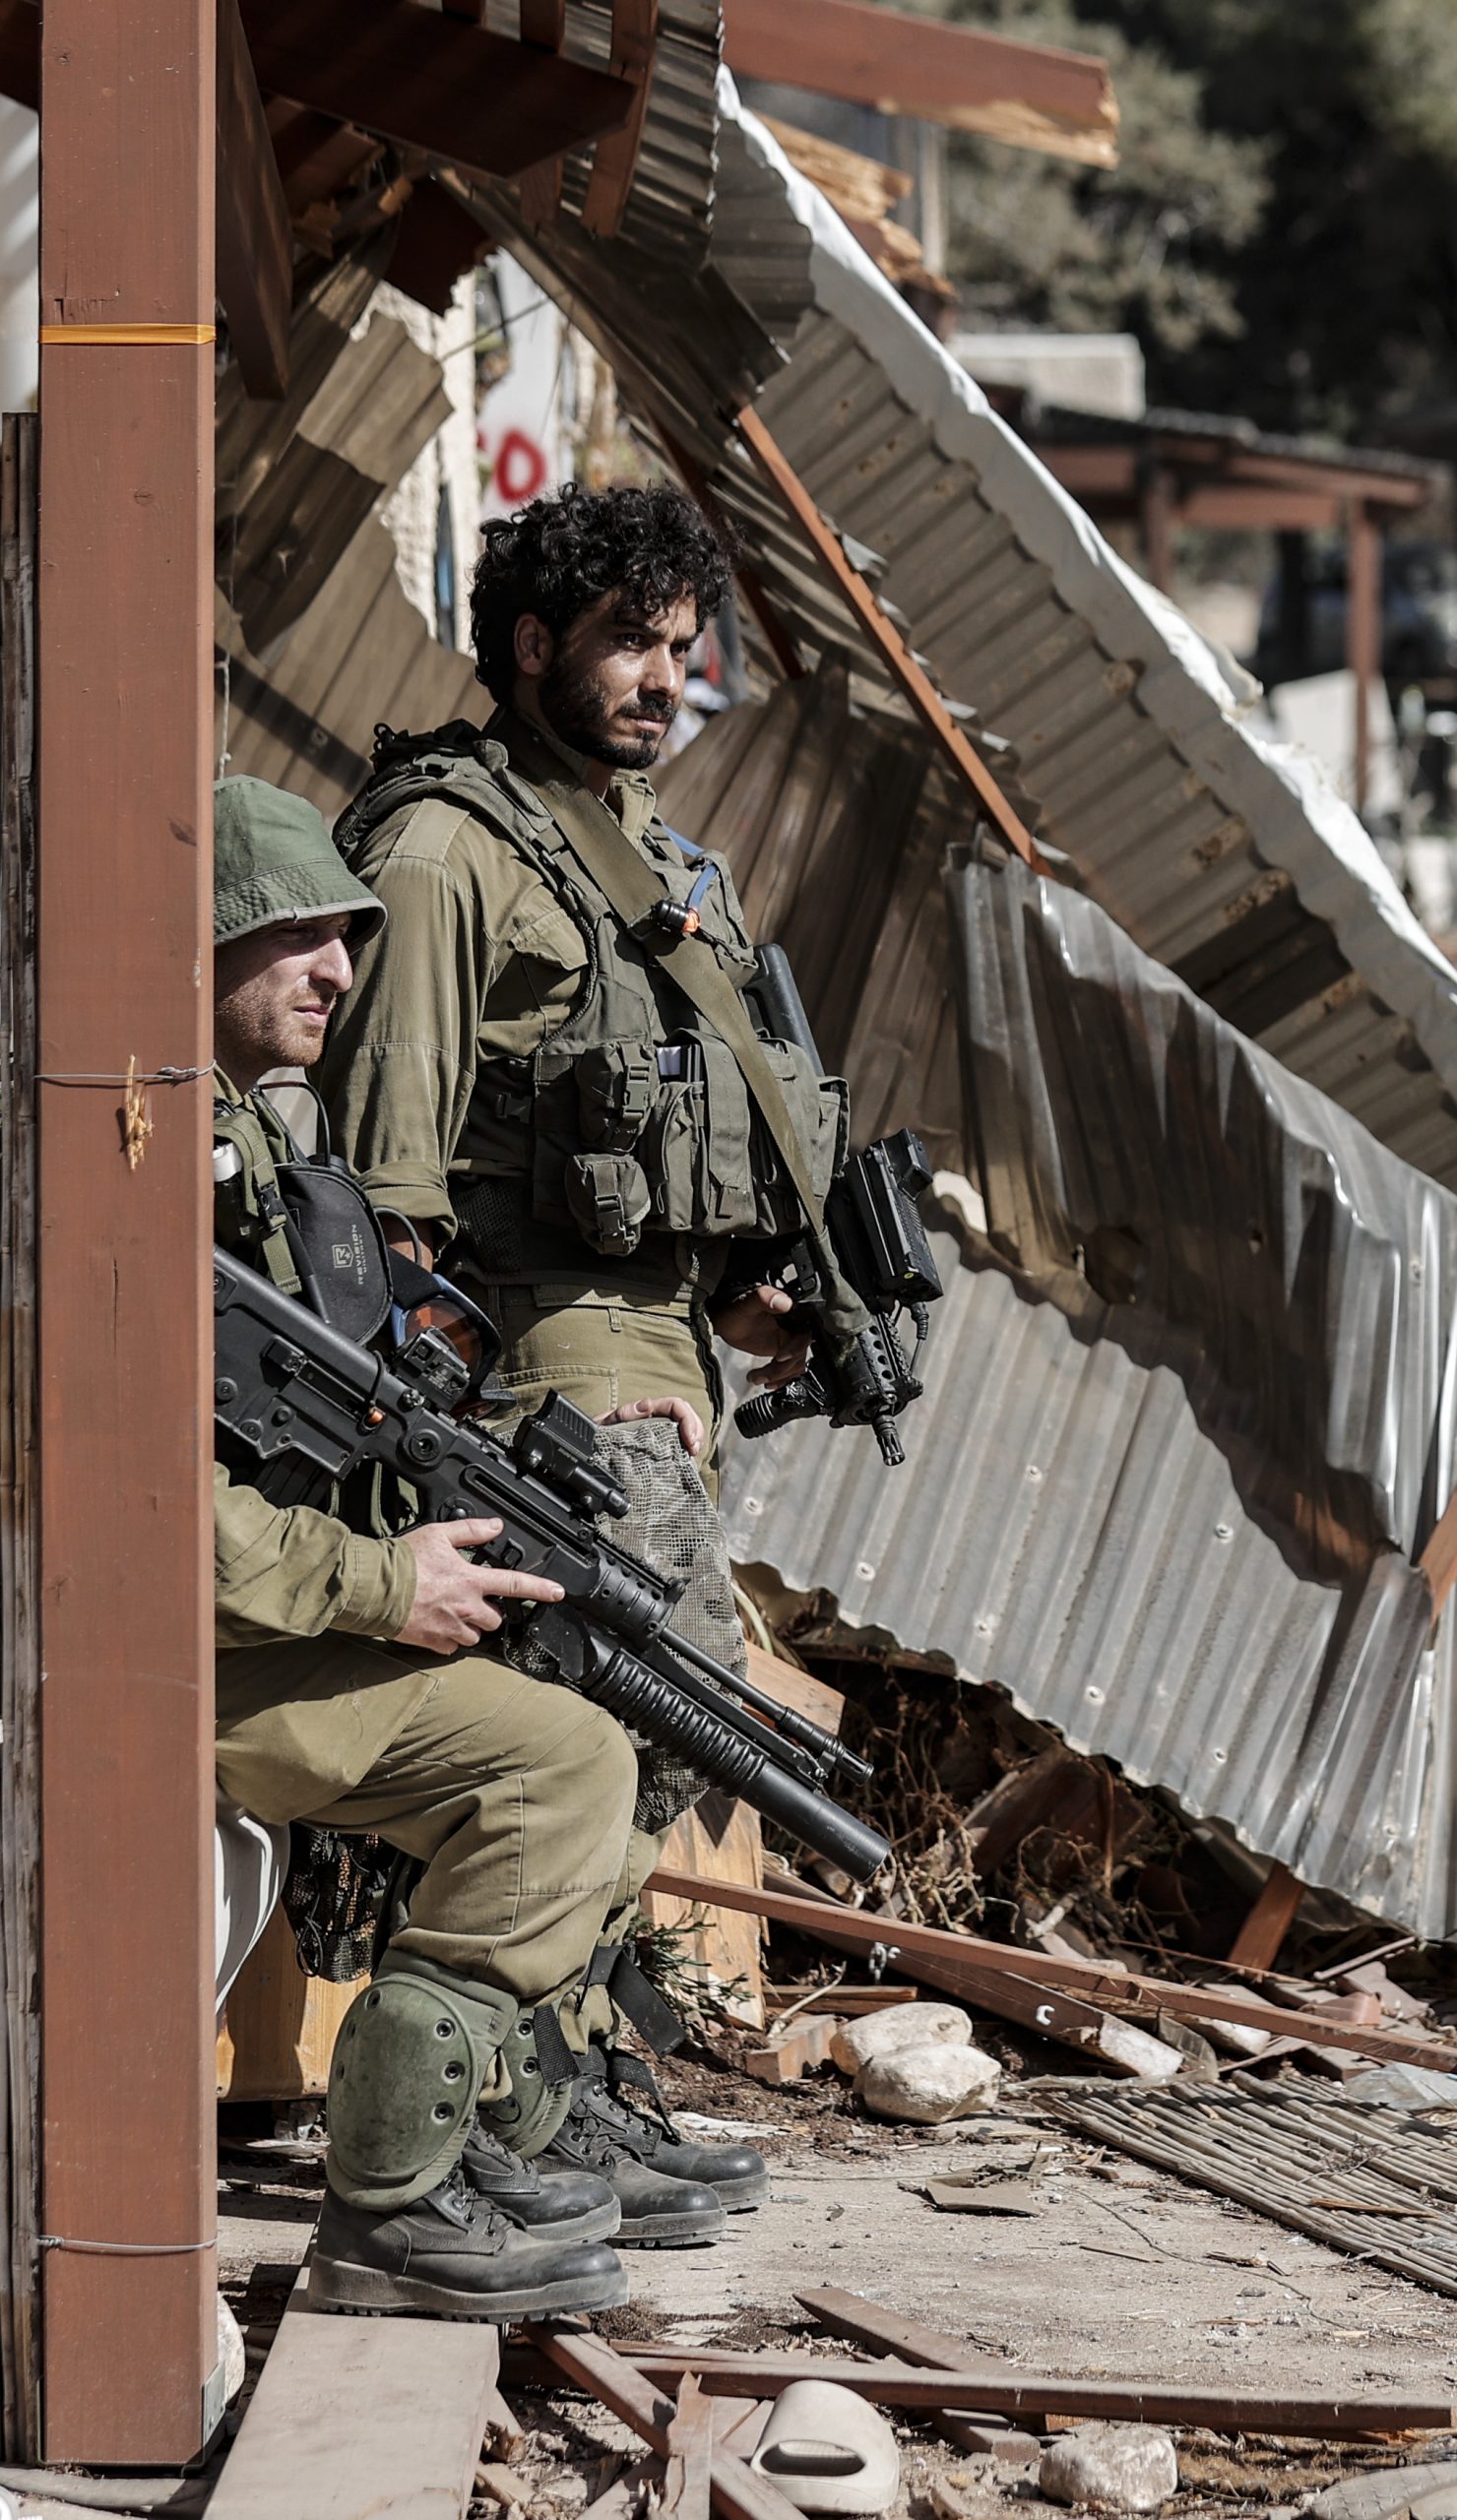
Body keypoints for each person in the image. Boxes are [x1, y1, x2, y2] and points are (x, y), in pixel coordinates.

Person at [318, 484, 857, 2212]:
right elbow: (381, 1198)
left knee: (656, 1738)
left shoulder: (657, 864)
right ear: (534, 641)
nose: (663, 680)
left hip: (657, 1367)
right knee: (614, 1731)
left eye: (683, 649)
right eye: (630, 641)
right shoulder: (443, 851)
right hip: (539, 1381)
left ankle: (558, 2086)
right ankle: (497, 2111)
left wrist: (749, 1307)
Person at [210, 775, 732, 2322]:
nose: (338, 971)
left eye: (349, 938)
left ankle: (484, 2132)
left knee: (592, 1720)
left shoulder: (258, 1151)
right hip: (176, 1647)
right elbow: (131, 1497)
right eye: (297, 934)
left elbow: (354, 1404)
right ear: (199, 938)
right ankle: (389, 2207)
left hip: (256, 1619)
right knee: (555, 1766)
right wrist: (388, 1584)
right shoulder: (145, 1152)